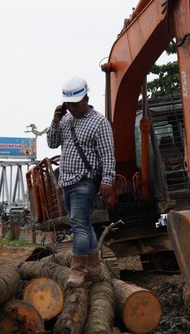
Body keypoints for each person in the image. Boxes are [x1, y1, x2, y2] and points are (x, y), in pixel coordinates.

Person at [47, 76, 116, 288]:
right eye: (68, 104)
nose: (72, 108)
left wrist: (107, 180)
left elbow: (108, 154)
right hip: (66, 182)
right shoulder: (66, 121)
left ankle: (77, 270)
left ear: (86, 98)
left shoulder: (99, 122)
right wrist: (55, 121)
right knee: (84, 224)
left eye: (75, 103)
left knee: (78, 226)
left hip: (84, 182)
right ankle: (95, 270)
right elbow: (52, 143)